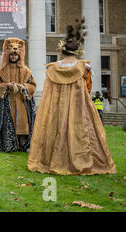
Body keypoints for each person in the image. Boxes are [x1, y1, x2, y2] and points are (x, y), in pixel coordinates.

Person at [28, 21, 116, 175]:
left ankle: (53, 161)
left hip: (57, 107)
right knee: (81, 131)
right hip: (78, 106)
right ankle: (81, 160)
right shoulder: (84, 67)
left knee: (55, 131)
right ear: (78, 51)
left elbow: (48, 91)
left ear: (63, 51)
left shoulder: (53, 68)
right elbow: (88, 87)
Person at [0, 38, 36, 153]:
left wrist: (23, 86)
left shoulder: (26, 71)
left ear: (19, 56)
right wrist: (6, 85)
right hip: (8, 101)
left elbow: (32, 85)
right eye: (12, 55)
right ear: (8, 56)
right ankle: (9, 144)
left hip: (21, 101)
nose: (14, 57)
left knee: (23, 122)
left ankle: (23, 144)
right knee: (9, 122)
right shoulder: (2, 70)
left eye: (16, 55)